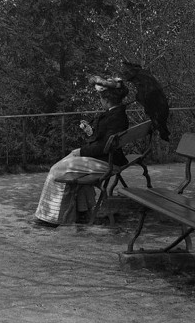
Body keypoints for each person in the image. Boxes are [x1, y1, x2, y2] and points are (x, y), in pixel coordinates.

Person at [34, 75, 129, 226]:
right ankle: (82, 213)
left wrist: (81, 151)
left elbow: (104, 146)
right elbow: (105, 140)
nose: (100, 101)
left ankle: (50, 218)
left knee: (56, 171)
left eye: (101, 98)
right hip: (108, 158)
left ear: (106, 99)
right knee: (66, 164)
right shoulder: (117, 114)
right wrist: (90, 132)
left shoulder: (115, 117)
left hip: (106, 162)